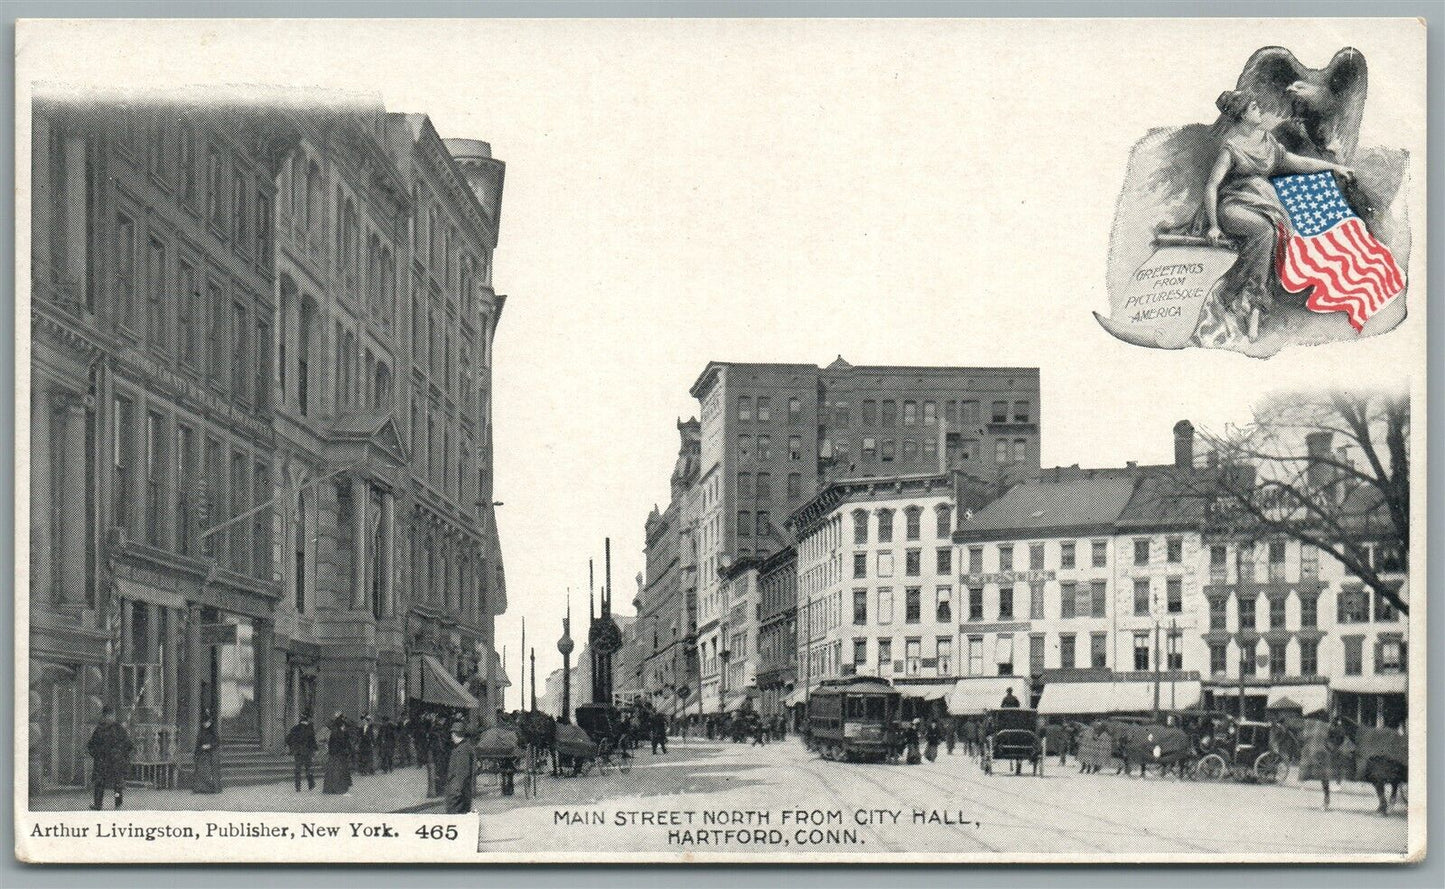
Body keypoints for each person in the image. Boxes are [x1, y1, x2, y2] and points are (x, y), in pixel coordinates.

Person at [1174, 88, 1358, 346]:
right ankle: (1242, 300)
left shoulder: (1266, 141)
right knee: (1264, 231)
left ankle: (1246, 302)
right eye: (1252, 108)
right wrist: (1214, 225)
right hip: (1233, 207)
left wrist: (1334, 166)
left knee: (1270, 232)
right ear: (1241, 116)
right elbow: (1212, 185)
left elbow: (1295, 162)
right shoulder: (1232, 147)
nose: (1259, 110)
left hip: (1263, 204)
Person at [86, 706, 134, 811]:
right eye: (108, 716)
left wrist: (120, 755)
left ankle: (111, 804)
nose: (109, 718)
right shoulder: (113, 729)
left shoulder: (109, 729)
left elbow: (129, 745)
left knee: (114, 785)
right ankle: (104, 804)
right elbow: (91, 745)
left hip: (108, 761)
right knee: (106, 784)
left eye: (110, 715)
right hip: (109, 761)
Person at [443, 721, 478, 814]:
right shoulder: (466, 747)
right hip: (463, 792)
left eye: (452, 734)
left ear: (454, 734)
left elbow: (461, 773)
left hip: (458, 794)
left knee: (454, 819)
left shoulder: (462, 750)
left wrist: (455, 793)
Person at [286, 713, 318, 792]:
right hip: (307, 752)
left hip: (298, 752)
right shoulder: (309, 729)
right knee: (308, 768)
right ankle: (311, 785)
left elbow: (287, 739)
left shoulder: (295, 728)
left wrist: (292, 747)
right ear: (307, 720)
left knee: (298, 769)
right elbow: (313, 741)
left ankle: (298, 787)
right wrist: (315, 750)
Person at [323, 712, 353, 795]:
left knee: (332, 770)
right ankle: (339, 788)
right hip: (339, 752)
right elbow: (343, 740)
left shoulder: (334, 728)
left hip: (334, 752)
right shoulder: (340, 729)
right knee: (339, 770)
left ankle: (330, 788)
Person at [192, 713, 223, 794]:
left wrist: (209, 746)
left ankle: (213, 788)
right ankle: (201, 788)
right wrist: (197, 753)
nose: (206, 724)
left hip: (212, 753)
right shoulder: (201, 731)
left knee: (210, 769)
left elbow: (217, 742)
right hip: (202, 753)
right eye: (205, 723)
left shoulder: (213, 731)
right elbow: (198, 743)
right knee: (201, 769)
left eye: (208, 722)